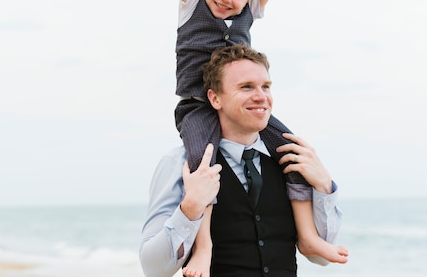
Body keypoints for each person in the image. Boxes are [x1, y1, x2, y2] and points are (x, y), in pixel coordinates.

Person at [173, 0, 347, 277]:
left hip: (239, 105)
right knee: (204, 164)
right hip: (199, 107)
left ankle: (308, 235)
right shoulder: (191, 6)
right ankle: (204, 247)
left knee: (293, 153)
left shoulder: (250, 10)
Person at [140, 44, 348, 277]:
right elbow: (154, 269)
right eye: (246, 87)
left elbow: (319, 257)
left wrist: (324, 185)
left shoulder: (292, 162)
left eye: (266, 86)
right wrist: (190, 207)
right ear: (215, 98)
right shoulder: (179, 163)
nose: (261, 97)